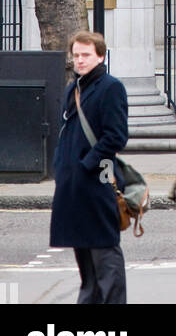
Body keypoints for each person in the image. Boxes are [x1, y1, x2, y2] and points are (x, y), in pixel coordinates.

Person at [50, 30, 129, 304]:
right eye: (76, 55)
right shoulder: (74, 87)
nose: (80, 60)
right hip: (72, 184)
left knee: (104, 253)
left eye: (86, 55)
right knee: (84, 257)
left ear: (100, 56)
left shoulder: (111, 87)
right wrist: (61, 167)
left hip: (96, 183)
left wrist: (86, 165)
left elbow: (116, 136)